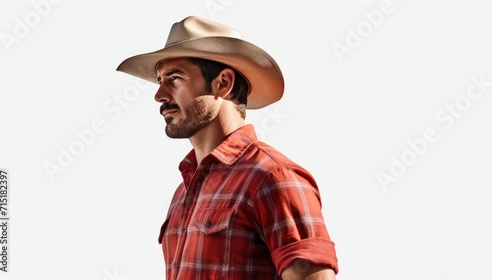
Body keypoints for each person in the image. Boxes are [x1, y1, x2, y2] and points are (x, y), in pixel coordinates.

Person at [117, 15, 338, 280]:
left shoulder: (272, 178)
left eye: (174, 79)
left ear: (223, 83)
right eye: (160, 80)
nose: (159, 95)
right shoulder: (183, 193)